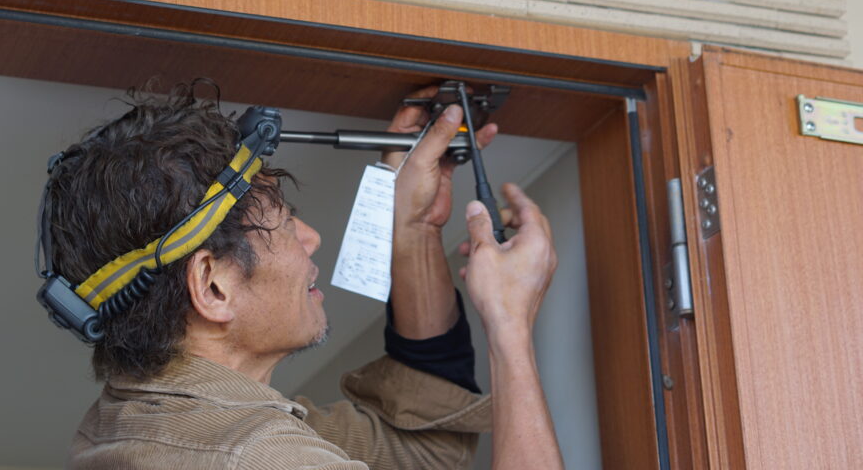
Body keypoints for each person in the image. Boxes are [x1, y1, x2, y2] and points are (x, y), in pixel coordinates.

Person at [45, 85, 562, 469]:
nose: (311, 237)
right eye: (286, 220)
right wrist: (509, 324)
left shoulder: (137, 421)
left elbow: (424, 448)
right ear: (213, 285)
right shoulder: (257, 456)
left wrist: (414, 226)